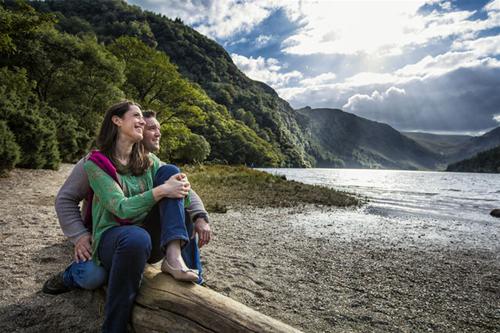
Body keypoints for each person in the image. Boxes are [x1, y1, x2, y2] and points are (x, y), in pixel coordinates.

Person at [43, 106, 210, 295]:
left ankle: (192, 277)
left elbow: (183, 190)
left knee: (182, 213)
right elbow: (65, 199)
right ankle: (69, 275)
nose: (158, 134)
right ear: (122, 125)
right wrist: (79, 235)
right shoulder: (96, 162)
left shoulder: (152, 161)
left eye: (158, 128)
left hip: (141, 234)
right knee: (93, 276)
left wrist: (200, 217)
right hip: (106, 236)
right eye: (151, 128)